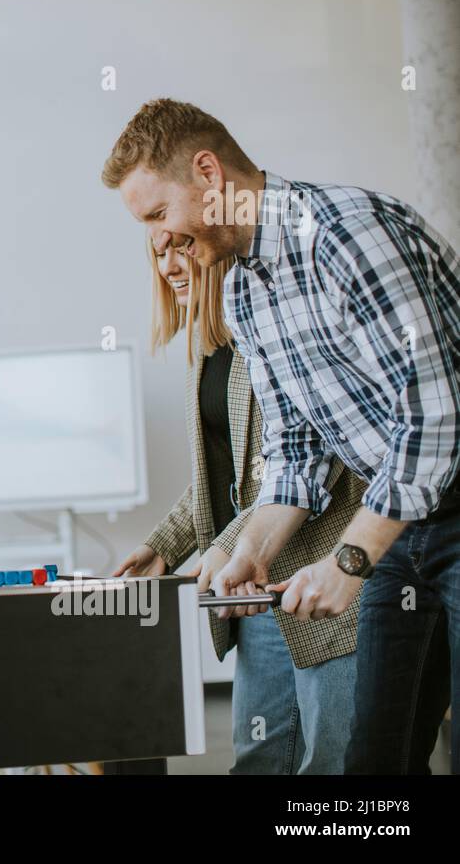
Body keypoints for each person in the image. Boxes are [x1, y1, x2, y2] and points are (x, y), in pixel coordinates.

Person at [105, 97, 460, 774]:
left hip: (438, 503)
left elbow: (434, 417)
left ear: (208, 172)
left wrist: (350, 560)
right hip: (406, 528)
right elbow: (295, 453)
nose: (159, 242)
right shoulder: (244, 292)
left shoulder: (346, 235)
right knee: (374, 764)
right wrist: (253, 550)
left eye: (158, 214)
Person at [114, 239, 364, 773]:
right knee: (258, 761)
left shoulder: (278, 335)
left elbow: (304, 464)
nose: (170, 267)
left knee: (334, 768)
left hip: (326, 588)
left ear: (219, 244)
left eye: (180, 248)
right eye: (158, 255)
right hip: (256, 588)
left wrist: (226, 547)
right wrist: (164, 546)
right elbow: (227, 476)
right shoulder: (206, 349)